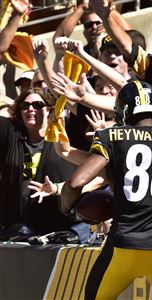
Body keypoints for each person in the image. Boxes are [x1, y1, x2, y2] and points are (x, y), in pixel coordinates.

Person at [60, 80, 152, 299]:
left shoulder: (112, 137)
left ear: (123, 111)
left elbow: (76, 182)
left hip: (122, 246)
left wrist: (67, 206)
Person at [0, 88, 90, 243]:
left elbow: (85, 114)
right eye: (25, 106)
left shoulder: (66, 134)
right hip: (19, 228)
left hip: (63, 225)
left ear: (49, 109)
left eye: (37, 105)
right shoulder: (10, 133)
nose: (30, 109)